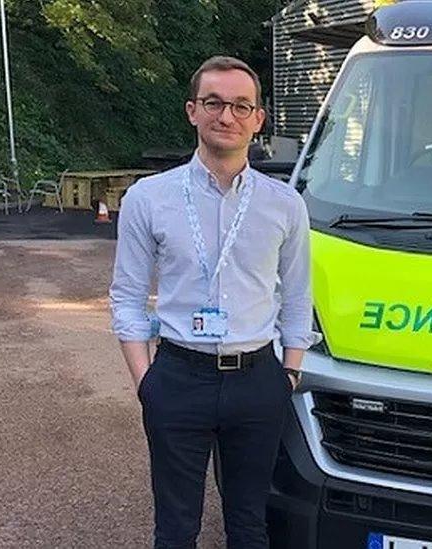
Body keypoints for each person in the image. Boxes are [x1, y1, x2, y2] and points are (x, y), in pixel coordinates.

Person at [109, 55, 317, 548]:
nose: (227, 116)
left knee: (249, 525)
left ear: (258, 119)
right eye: (214, 103)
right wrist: (147, 382)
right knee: (176, 528)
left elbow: (297, 295)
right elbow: (127, 297)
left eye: (241, 106)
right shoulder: (148, 198)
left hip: (258, 380)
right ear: (192, 111)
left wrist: (288, 373)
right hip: (178, 378)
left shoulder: (285, 203)